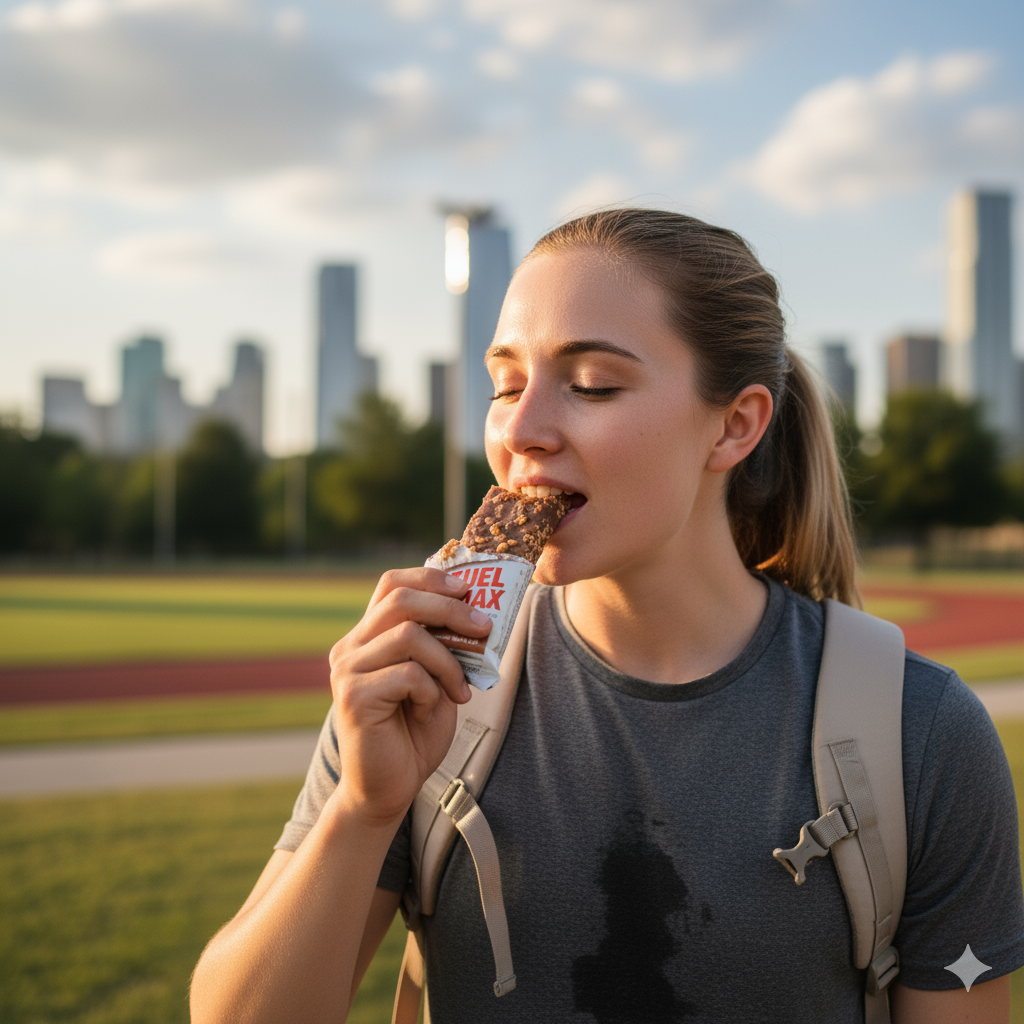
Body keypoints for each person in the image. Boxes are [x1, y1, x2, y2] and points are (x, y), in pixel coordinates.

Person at [190, 209, 1024, 1023]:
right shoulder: (427, 684)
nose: (520, 430)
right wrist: (363, 809)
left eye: (591, 384)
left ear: (735, 426)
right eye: (505, 384)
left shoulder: (921, 732)